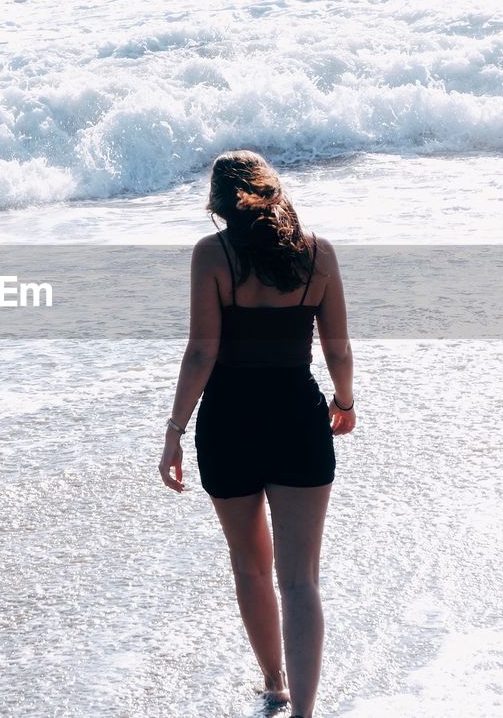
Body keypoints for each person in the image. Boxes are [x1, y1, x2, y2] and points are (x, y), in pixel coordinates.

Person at [159, 149, 355, 718]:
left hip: (229, 425)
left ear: (219, 201)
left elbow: (201, 351)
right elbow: (337, 348)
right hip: (297, 419)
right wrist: (345, 402)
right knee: (301, 582)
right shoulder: (318, 255)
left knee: (250, 566)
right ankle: (303, 714)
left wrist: (174, 429)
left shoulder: (212, 256)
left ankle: (274, 684)